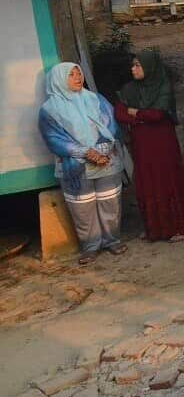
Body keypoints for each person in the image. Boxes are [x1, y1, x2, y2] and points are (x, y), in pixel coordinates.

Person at [37, 62, 128, 264]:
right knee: (82, 208)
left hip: (106, 160)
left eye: (78, 73)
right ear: (59, 80)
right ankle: (90, 246)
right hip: (76, 165)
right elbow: (53, 138)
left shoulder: (96, 99)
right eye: (71, 74)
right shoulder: (49, 110)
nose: (78, 77)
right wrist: (86, 152)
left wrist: (103, 150)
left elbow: (112, 125)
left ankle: (112, 240)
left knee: (110, 202)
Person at [115, 49, 184, 242]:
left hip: (162, 142)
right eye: (132, 65)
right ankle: (154, 229)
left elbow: (157, 115)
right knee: (146, 181)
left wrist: (135, 113)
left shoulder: (162, 86)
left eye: (138, 65)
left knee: (167, 180)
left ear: (149, 67)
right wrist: (141, 116)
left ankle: (178, 227)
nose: (133, 69)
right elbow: (119, 113)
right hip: (141, 144)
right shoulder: (129, 89)